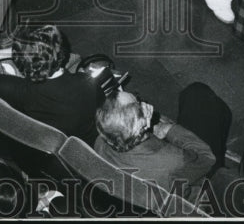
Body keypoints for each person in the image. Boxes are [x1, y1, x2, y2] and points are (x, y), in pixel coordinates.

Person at [0, 24, 101, 142]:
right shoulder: (87, 83)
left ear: (24, 69)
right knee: (79, 59)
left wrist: (12, 51)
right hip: (80, 138)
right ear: (63, 52)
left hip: (30, 128)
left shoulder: (20, 90)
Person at [93, 83, 229, 202]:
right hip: (193, 194)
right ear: (141, 123)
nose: (143, 103)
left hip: (143, 193)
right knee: (197, 94)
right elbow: (206, 159)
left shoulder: (99, 143)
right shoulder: (172, 161)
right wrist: (170, 129)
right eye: (137, 103)